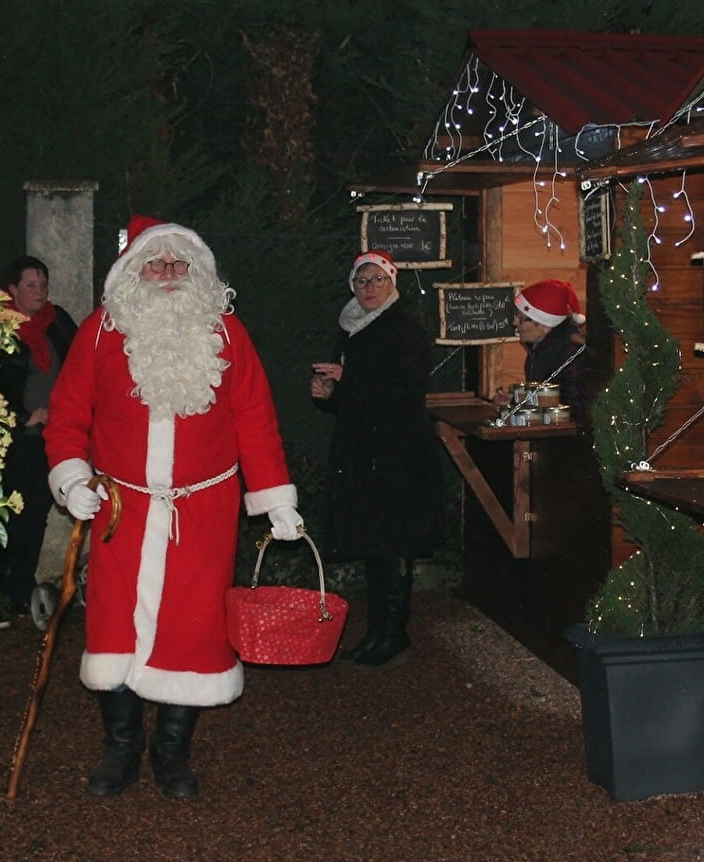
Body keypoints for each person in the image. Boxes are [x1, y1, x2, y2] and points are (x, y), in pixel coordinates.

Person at [44, 215, 303, 800]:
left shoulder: (228, 334)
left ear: (200, 273)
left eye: (179, 264)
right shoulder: (101, 331)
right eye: (155, 264)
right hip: (121, 509)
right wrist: (71, 477)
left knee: (195, 626)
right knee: (113, 626)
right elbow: (66, 417)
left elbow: (255, 421)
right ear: (134, 270)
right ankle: (122, 747)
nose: (167, 274)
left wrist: (275, 498)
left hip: (204, 511)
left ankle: (172, 751)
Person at [310, 250, 443, 668]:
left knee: (391, 541)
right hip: (363, 450)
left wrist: (348, 382)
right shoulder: (350, 326)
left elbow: (404, 392)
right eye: (362, 281)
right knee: (374, 542)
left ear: (392, 284)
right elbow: (354, 397)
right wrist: (330, 396)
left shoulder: (404, 330)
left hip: (397, 452)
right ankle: (379, 631)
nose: (369, 289)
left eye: (377, 281)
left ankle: (392, 632)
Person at [0, 255, 79, 629]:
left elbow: (79, 366)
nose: (41, 293)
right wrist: (23, 417)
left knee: (34, 516)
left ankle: (21, 594)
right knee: (3, 517)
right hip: (8, 439)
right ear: (12, 290)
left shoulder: (58, 323)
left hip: (47, 438)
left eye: (43, 285)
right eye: (32, 286)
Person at [492, 279, 589, 422]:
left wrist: (520, 405)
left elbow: (572, 410)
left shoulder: (571, 354)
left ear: (545, 325)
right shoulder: (538, 348)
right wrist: (515, 400)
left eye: (521, 318)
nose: (515, 323)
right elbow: (545, 399)